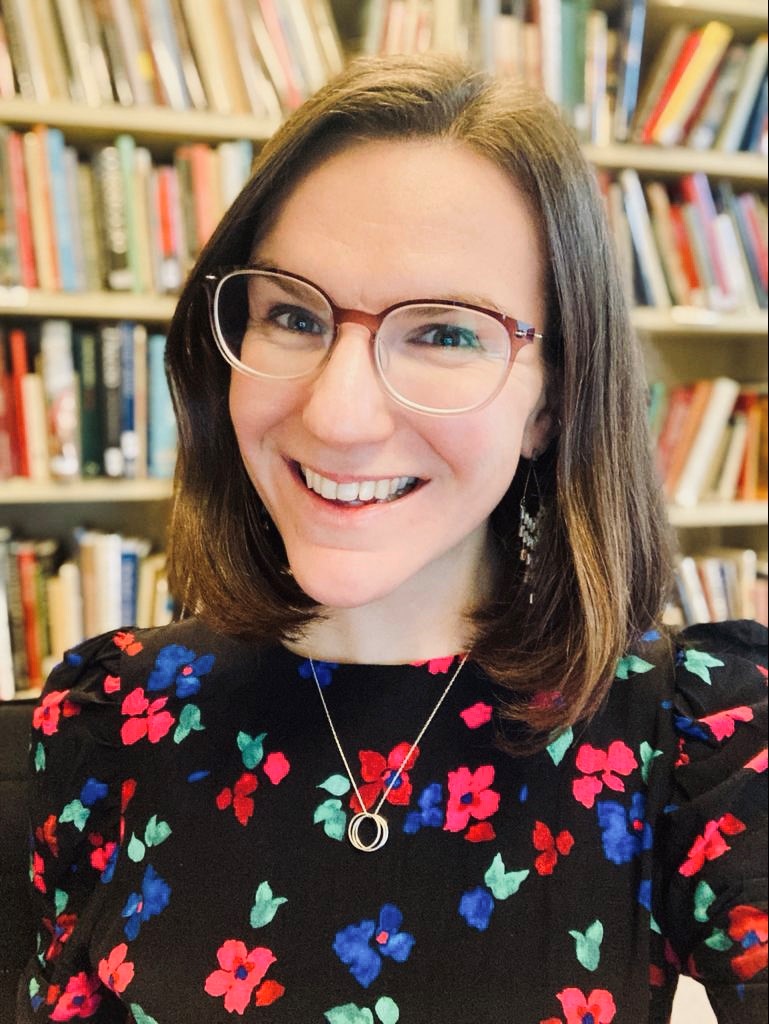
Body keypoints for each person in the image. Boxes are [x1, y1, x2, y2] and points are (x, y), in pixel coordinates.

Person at [20, 55, 767, 1024]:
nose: (337, 416)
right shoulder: (110, 715)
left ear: (551, 404)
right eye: (293, 315)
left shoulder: (698, 740)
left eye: (444, 333)